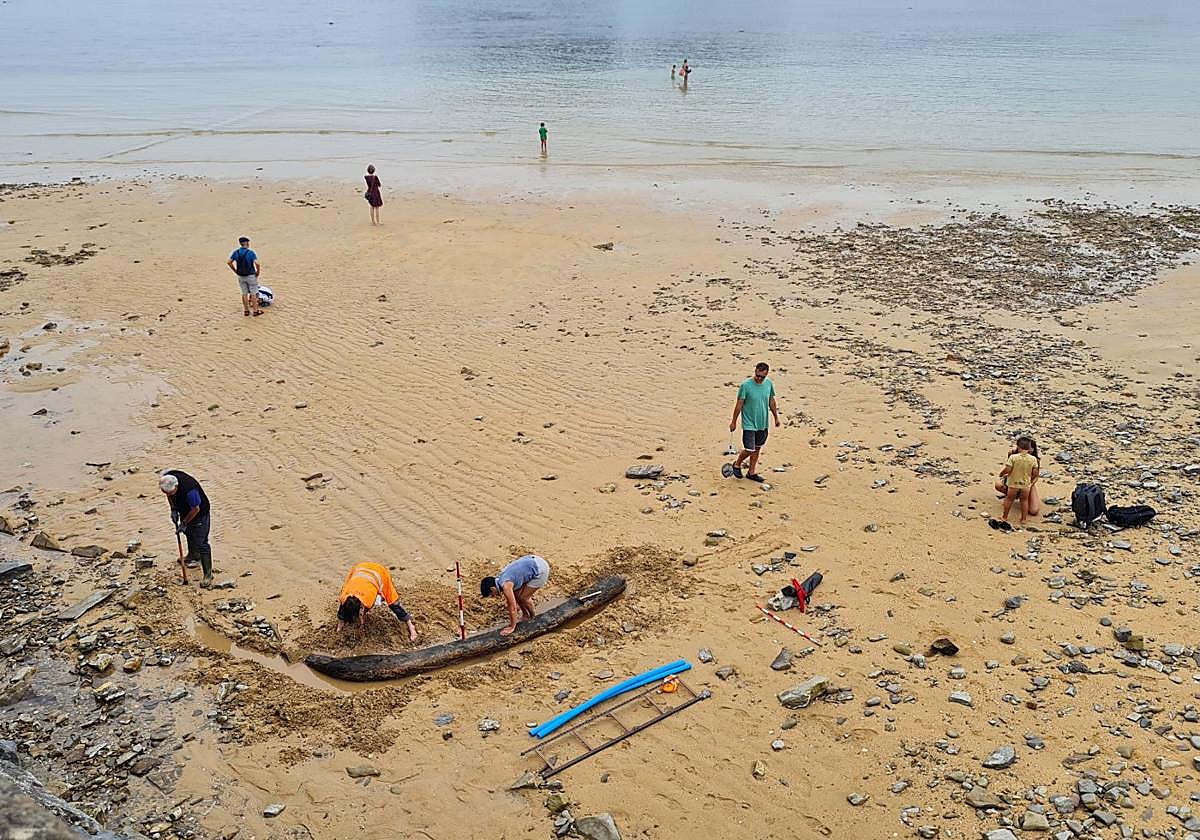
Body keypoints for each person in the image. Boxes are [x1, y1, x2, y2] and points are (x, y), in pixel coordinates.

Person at [336, 561, 418, 640]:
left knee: (393, 603)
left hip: (379, 572)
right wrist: (340, 627)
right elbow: (342, 610)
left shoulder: (368, 600)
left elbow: (362, 615)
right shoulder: (343, 597)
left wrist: (361, 626)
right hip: (359, 568)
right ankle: (341, 625)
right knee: (344, 613)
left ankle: (410, 626)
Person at [727, 362, 780, 482]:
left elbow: (771, 401)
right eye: (758, 375)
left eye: (763, 377)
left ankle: (751, 472)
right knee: (749, 449)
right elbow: (739, 405)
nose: (760, 379)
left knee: (757, 447)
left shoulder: (768, 384)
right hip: (749, 423)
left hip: (763, 423)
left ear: (767, 374)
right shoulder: (745, 386)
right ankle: (737, 464)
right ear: (755, 371)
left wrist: (776, 417)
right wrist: (733, 422)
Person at [159, 471, 213, 588]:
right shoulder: (168, 478)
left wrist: (184, 522)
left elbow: (196, 509)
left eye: (171, 492)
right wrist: (173, 509)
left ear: (176, 486)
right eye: (165, 492)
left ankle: (208, 575)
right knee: (188, 533)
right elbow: (169, 495)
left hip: (199, 514)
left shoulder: (190, 491)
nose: (168, 495)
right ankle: (193, 555)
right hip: (185, 510)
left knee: (201, 542)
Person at [480, 554, 551, 637]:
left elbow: (512, 607)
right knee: (518, 596)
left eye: (491, 594)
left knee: (524, 598)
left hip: (540, 569)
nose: (493, 596)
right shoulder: (501, 578)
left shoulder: (506, 585)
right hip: (533, 560)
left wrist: (512, 627)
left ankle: (533, 617)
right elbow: (515, 599)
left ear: (492, 589)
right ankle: (526, 614)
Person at [994, 436, 1042, 517]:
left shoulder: (1034, 459)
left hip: (1027, 483)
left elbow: (1036, 476)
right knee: (1000, 486)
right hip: (1015, 480)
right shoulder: (1013, 454)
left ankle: (1006, 515)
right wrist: (1005, 478)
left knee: (1034, 510)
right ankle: (1023, 517)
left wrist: (1031, 484)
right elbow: (1009, 469)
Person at [226, 236, 262, 317]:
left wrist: (235, 271)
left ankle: (246, 310)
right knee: (253, 293)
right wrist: (258, 272)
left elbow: (229, 262)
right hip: (251, 275)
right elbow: (257, 263)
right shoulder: (251, 252)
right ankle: (255, 311)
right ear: (246, 243)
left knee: (244, 293)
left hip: (241, 276)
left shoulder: (236, 252)